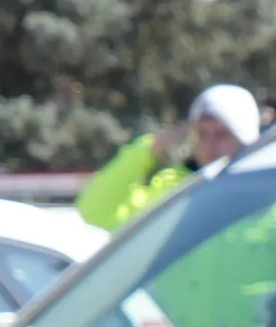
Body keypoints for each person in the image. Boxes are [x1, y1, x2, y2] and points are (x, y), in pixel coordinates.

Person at [78, 82, 264, 232]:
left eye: (222, 134)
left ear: (246, 140)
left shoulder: (273, 192)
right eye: (202, 134)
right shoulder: (174, 192)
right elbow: (95, 212)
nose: (209, 146)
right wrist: (149, 149)